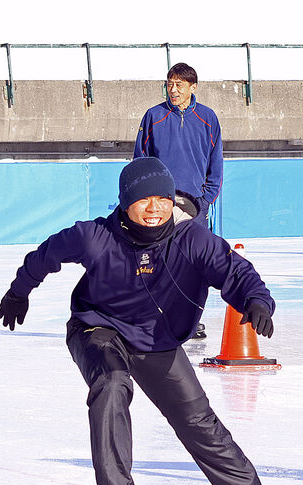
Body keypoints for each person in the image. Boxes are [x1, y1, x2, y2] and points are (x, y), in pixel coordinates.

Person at [0, 157, 303, 485]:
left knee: (198, 420)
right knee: (112, 385)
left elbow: (234, 270)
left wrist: (257, 300)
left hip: (155, 340)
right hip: (98, 328)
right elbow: (47, 253)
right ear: (125, 202)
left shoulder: (192, 239)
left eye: (163, 199)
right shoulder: (94, 237)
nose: (155, 208)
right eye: (144, 200)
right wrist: (19, 291)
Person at [134, 62, 223, 339]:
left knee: (193, 264)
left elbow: (216, 162)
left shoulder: (209, 118)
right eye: (169, 84)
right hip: (160, 203)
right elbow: (141, 159)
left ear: (192, 87)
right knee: (155, 261)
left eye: (179, 85)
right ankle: (155, 318)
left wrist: (206, 198)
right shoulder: (154, 116)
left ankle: (189, 319)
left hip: (195, 205)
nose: (173, 90)